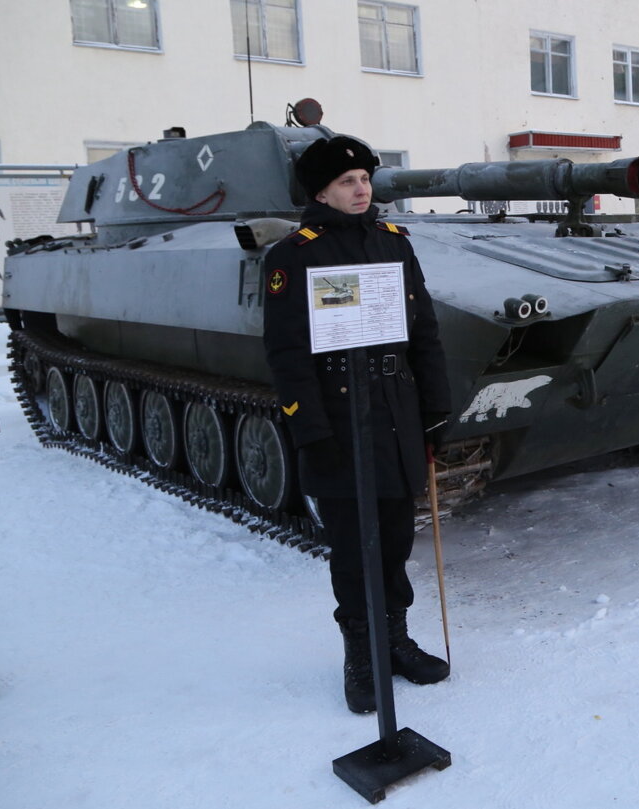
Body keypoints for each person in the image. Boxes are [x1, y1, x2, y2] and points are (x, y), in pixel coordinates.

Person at [262, 135, 453, 713]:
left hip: (395, 410)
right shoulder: (294, 254)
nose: (361, 188)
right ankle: (362, 654)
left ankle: (394, 638)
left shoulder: (393, 242)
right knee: (353, 545)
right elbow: (287, 354)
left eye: (365, 178)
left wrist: (436, 408)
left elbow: (424, 331)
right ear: (320, 190)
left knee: (395, 535)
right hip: (339, 416)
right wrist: (312, 432)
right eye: (347, 181)